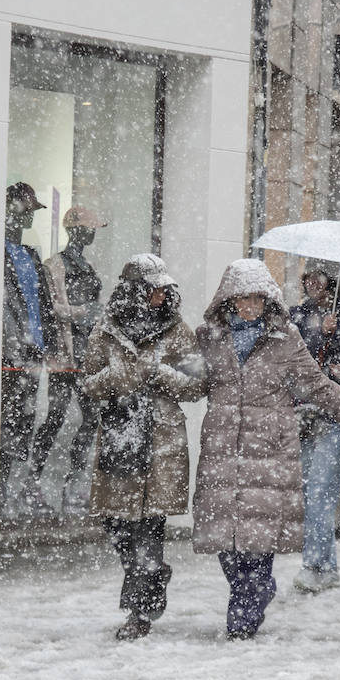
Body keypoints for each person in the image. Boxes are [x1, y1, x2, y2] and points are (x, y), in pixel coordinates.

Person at [192, 259, 340, 640]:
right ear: (229, 300)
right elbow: (192, 382)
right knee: (227, 544)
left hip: (268, 450)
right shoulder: (209, 338)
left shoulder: (285, 338)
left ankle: (243, 615)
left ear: (267, 300)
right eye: (242, 299)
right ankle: (253, 591)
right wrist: (166, 378)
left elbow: (314, 384)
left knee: (258, 539)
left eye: (256, 298)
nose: (249, 306)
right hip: (222, 450)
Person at [83, 254, 204, 640]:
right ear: (134, 291)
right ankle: (149, 579)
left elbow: (198, 384)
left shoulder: (178, 330)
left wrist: (162, 374)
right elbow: (86, 385)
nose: (161, 295)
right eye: (154, 288)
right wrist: (114, 377)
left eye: (164, 288)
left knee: (149, 527)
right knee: (117, 524)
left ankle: (139, 611)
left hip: (161, 442)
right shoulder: (105, 331)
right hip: (120, 438)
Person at [288, 268, 340, 593]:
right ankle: (327, 567)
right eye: (308, 278)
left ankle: (313, 565)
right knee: (311, 493)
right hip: (305, 414)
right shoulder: (297, 315)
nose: (313, 284)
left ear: (329, 281)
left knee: (321, 489)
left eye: (319, 278)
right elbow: (295, 358)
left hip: (335, 415)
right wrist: (319, 334)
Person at [33, 206, 107, 515]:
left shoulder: (87, 267)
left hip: (86, 355)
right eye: (89, 228)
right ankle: (33, 480)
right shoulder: (55, 266)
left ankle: (74, 484)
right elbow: (56, 308)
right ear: (77, 230)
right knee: (56, 417)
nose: (91, 234)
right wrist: (86, 312)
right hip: (64, 356)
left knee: (90, 419)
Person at [0, 182, 59, 519]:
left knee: (23, 424)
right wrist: (14, 346)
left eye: (31, 213)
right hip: (10, 357)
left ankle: (11, 490)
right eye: (24, 212)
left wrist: (45, 343)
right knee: (6, 426)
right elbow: (5, 309)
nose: (27, 220)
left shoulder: (32, 257)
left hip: (32, 356)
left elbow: (44, 307)